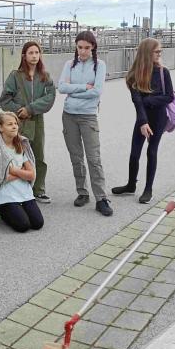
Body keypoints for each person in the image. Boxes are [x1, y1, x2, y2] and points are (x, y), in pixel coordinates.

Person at [111, 38, 174, 204]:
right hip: (142, 116)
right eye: (157, 51)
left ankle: (148, 189)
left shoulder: (163, 72)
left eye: (160, 51)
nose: (160, 54)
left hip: (159, 117)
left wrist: (149, 101)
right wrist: (143, 121)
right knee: (134, 153)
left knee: (151, 151)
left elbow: (168, 97)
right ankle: (131, 185)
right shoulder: (134, 75)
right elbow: (137, 102)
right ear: (147, 53)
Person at [57, 31, 113, 216]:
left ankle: (101, 198)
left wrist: (73, 92)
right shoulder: (69, 64)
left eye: (87, 48)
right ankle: (82, 192)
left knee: (94, 158)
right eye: (80, 47)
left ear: (93, 47)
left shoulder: (100, 65)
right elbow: (62, 87)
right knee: (76, 156)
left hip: (88, 116)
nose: (83, 51)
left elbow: (96, 92)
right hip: (69, 115)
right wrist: (82, 87)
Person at [0, 41, 56, 203]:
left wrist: (30, 109)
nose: (34, 56)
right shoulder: (15, 76)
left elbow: (50, 97)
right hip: (18, 123)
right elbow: (4, 100)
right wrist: (20, 111)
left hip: (37, 120)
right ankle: (18, 190)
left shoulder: (45, 76)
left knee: (39, 155)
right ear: (24, 55)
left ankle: (38, 189)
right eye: (31, 53)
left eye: (37, 53)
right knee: (18, 155)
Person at [0, 112, 43, 232]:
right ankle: (2, 212)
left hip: (24, 192)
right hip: (6, 196)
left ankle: (19, 209)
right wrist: (22, 172)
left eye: (16, 124)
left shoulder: (21, 145)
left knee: (37, 223)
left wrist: (14, 171)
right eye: (10, 124)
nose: (14, 126)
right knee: (23, 226)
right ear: (0, 127)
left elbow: (32, 175)